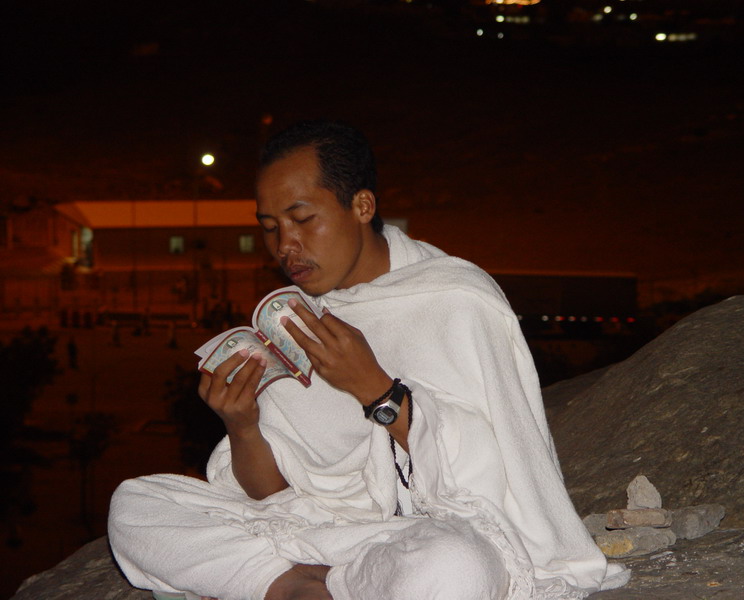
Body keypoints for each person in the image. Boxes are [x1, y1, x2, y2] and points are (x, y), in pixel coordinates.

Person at [108, 120, 629, 600]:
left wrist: (377, 389)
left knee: (455, 567)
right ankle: (296, 585)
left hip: (428, 535)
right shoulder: (298, 322)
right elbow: (274, 497)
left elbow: (501, 480)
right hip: (321, 532)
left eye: (302, 219)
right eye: (269, 227)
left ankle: (308, 581)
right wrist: (241, 426)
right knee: (135, 506)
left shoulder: (454, 300)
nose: (285, 245)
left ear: (361, 206)